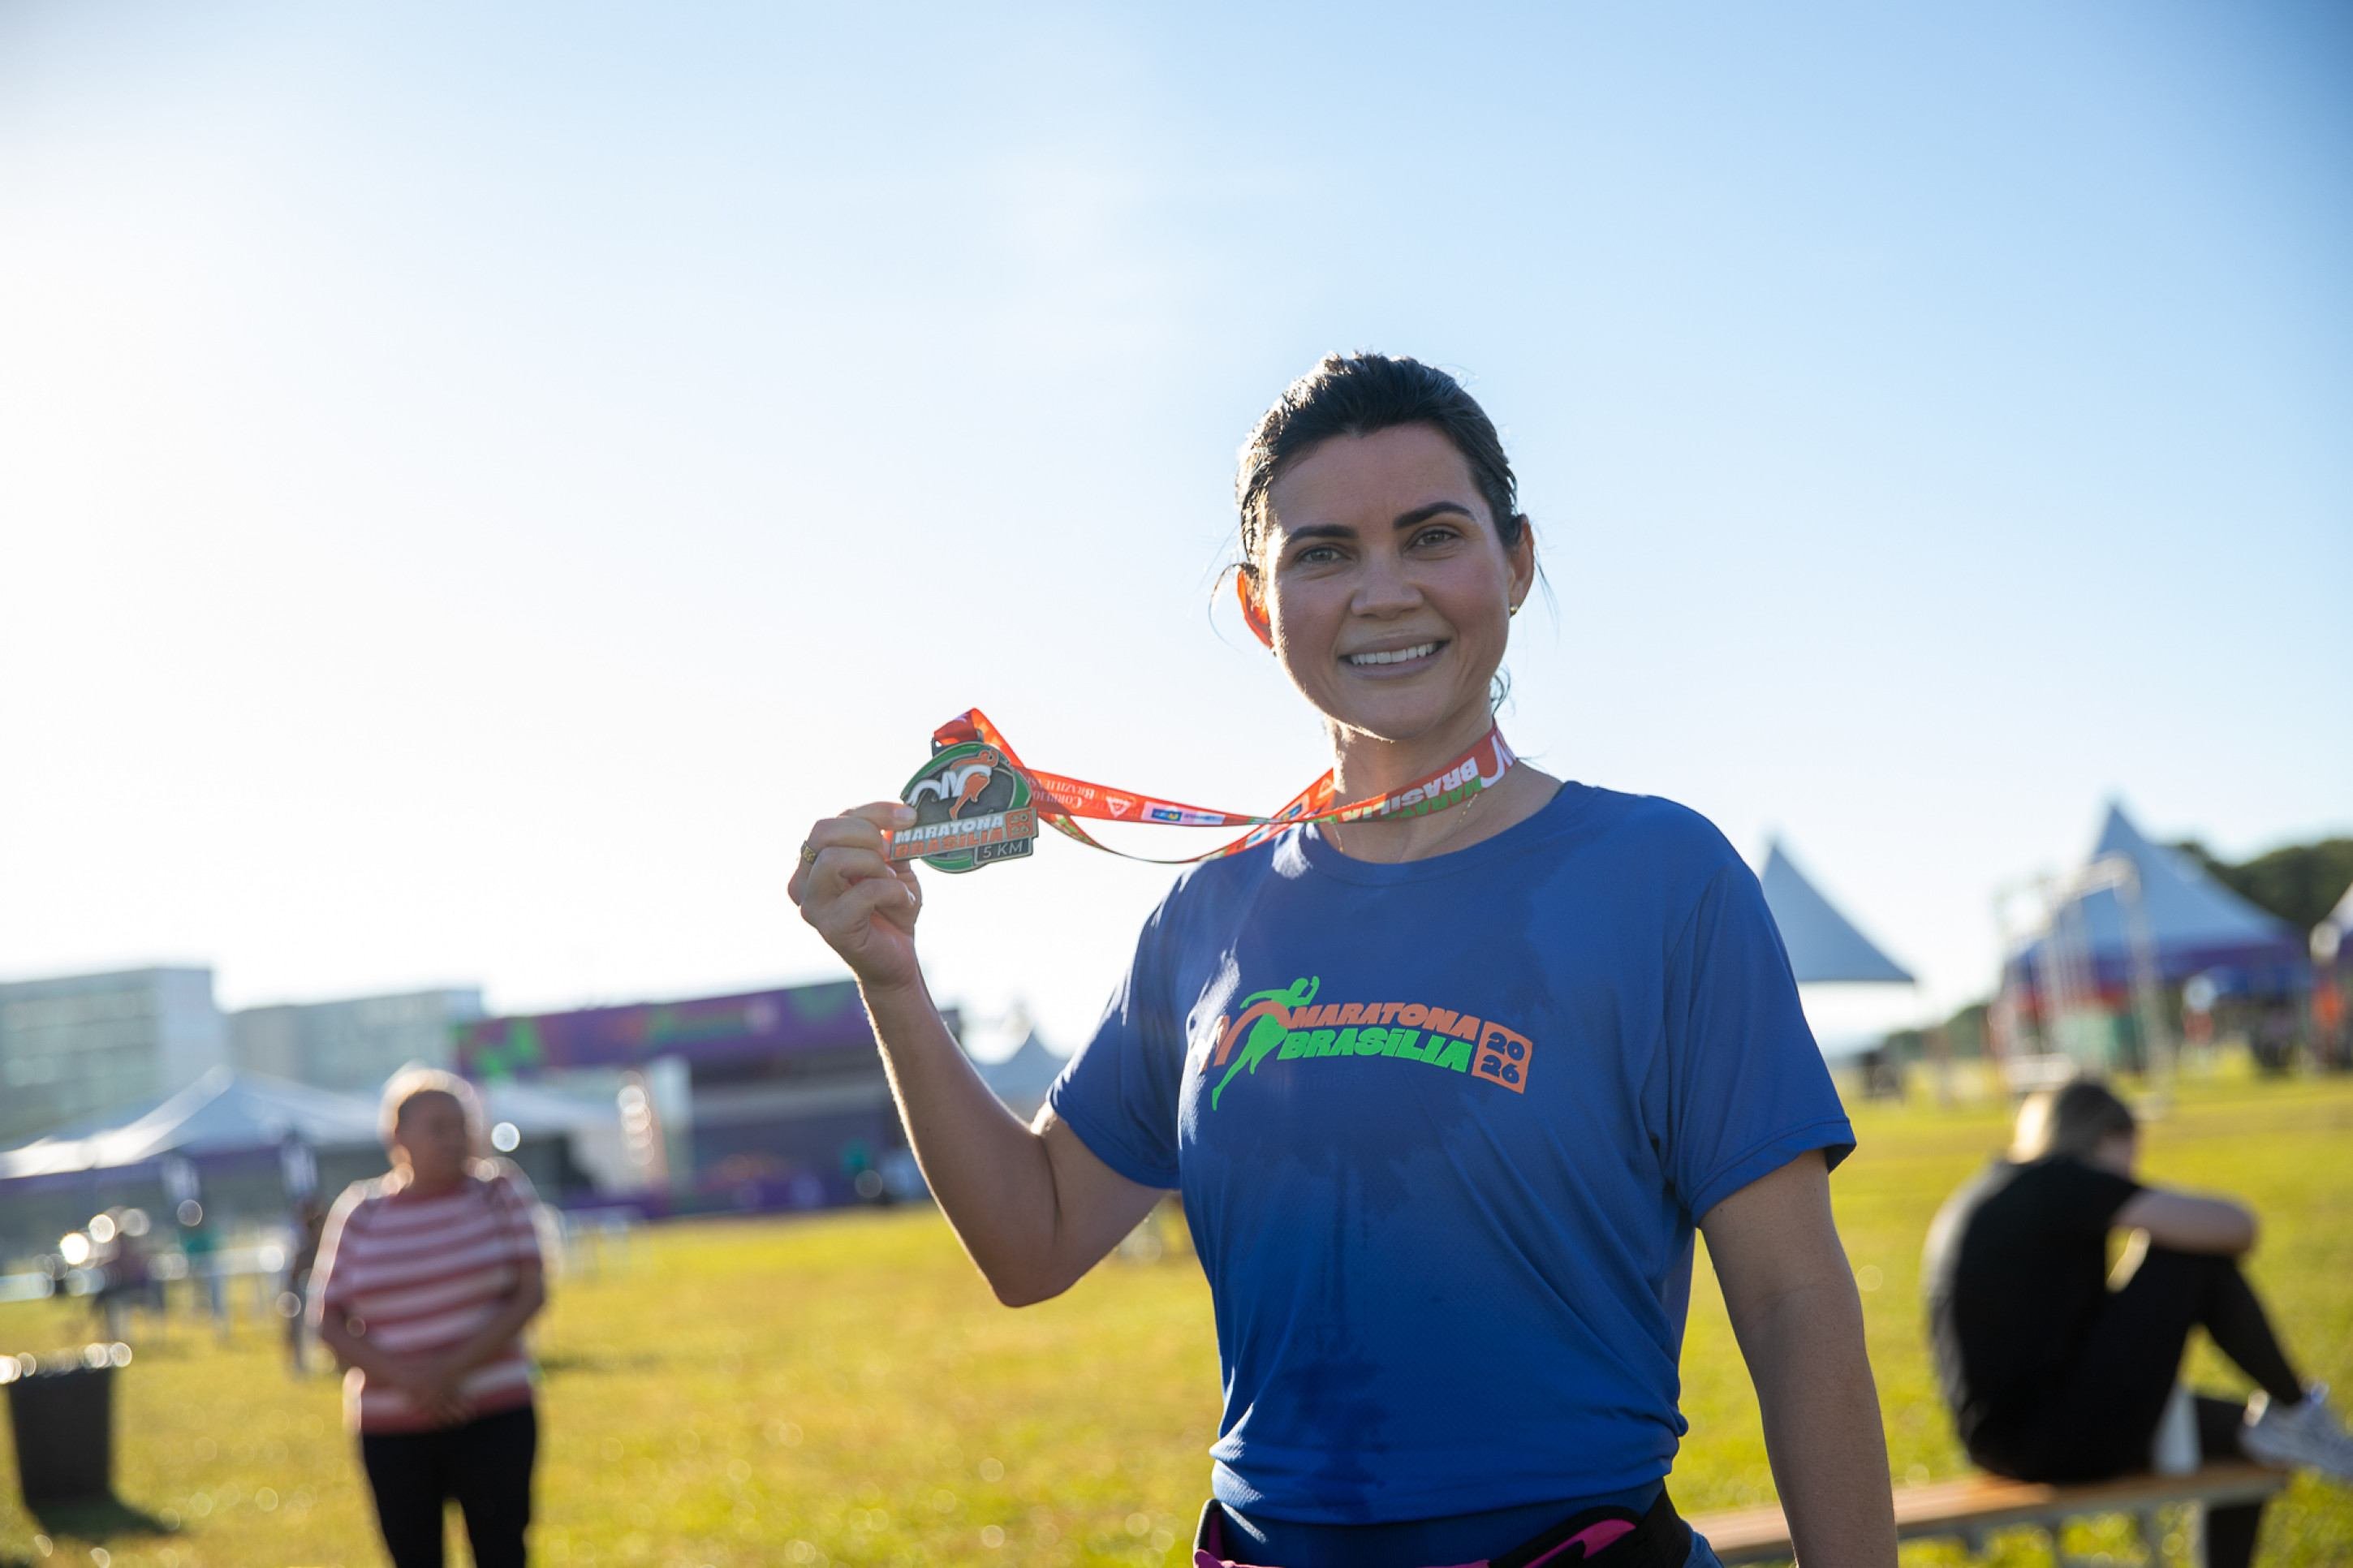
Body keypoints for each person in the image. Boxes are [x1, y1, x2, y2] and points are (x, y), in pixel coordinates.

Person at [792, 353, 1897, 1567]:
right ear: (1259, 606)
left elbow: (1794, 1308)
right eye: (1322, 553)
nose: (1382, 592)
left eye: (1430, 536)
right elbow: (1033, 1239)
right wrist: (891, 985)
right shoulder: (1205, 916)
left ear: (1515, 563)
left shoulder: (1659, 877)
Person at [1923, 1078, 2353, 1568]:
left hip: (2004, 1439)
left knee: (2255, 1436)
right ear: (2104, 1137)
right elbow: (2237, 1227)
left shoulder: (1998, 1186)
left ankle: (2291, 1423)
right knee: (2188, 1256)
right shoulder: (2062, 1178)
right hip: (2053, 1436)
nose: (2132, 1169)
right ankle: (2300, 1410)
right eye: (2129, 1151)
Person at [308, 1068, 549, 1568]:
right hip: (391, 1426)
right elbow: (327, 1319)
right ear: (398, 1135)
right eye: (437, 1127)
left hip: (494, 1413)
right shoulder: (359, 1210)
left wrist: (449, 1372)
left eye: (461, 1125)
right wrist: (411, 1381)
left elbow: (530, 1292)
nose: (454, 1139)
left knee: (502, 1550)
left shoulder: (498, 1191)